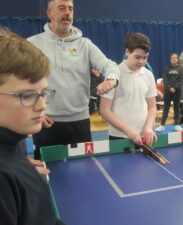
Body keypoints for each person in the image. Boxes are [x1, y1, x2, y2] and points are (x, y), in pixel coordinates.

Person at [27, 0, 120, 159]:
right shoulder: (33, 44)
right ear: (49, 13)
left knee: (82, 174)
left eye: (70, 9)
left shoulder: (85, 45)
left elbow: (109, 65)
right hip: (46, 122)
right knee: (47, 174)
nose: (67, 13)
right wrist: (33, 111)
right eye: (62, 8)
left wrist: (111, 80)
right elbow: (19, 83)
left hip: (80, 123)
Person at [0, 29, 65, 225]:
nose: (42, 105)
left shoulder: (14, 141)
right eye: (27, 95)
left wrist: (21, 165)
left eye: (43, 93)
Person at [100, 32, 157, 146]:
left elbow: (152, 107)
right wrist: (128, 131)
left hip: (144, 136)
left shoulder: (148, 75)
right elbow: (104, 110)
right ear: (127, 52)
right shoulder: (114, 74)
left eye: (145, 57)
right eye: (137, 57)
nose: (141, 61)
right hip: (119, 136)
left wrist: (149, 127)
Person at [155, 53, 183, 132]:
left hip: (177, 91)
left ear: (177, 59)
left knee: (176, 108)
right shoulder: (167, 68)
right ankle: (162, 125)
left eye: (175, 58)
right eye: (172, 58)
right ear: (170, 59)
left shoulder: (180, 69)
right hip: (168, 91)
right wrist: (170, 87)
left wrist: (175, 87)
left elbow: (180, 80)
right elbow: (165, 79)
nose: (174, 59)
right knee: (166, 107)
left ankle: (177, 125)